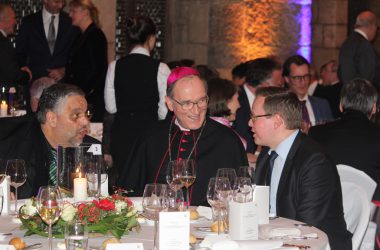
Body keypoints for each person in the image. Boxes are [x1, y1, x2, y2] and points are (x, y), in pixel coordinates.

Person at [117, 67, 248, 205]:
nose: (196, 110)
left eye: (201, 101)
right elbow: (126, 192)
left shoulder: (227, 140)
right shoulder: (150, 137)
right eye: (186, 103)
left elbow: (241, 198)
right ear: (170, 104)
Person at [251, 87, 351, 249]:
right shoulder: (266, 155)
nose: (250, 123)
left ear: (277, 120)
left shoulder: (314, 162)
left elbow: (305, 226)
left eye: (254, 117)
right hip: (273, 239)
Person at [0, 84, 98, 199]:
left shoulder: (91, 148)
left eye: (86, 114)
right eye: (76, 115)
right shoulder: (17, 146)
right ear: (52, 119)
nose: (85, 122)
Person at [104, 15, 170, 183]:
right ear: (151, 38)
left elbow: (111, 107)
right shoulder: (161, 69)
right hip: (149, 134)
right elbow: (164, 110)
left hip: (122, 135)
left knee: (124, 183)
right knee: (148, 182)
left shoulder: (114, 66)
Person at [309, 78, 380, 193]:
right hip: (372, 207)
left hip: (327, 206)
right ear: (374, 108)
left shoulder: (315, 134)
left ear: (341, 105)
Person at [15, 0, 79, 82]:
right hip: (35, 82)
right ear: (45, 1)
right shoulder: (29, 22)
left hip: (63, 84)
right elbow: (20, 52)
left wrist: (65, 70)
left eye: (62, 2)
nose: (60, 6)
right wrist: (24, 71)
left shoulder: (71, 22)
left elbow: (77, 55)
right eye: (56, 2)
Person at [65, 0, 108, 122]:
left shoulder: (96, 36)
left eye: (73, 11)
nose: (70, 15)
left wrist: (81, 94)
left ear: (85, 12)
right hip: (80, 96)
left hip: (89, 99)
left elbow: (97, 71)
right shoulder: (81, 35)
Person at [234, 57, 283, 162]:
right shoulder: (235, 100)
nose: (281, 87)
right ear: (264, 85)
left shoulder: (274, 103)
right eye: (278, 84)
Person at [283, 55, 333, 128]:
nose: (303, 82)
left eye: (306, 76)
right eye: (297, 77)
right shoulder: (281, 107)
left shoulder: (322, 105)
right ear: (287, 79)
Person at [338, 10, 380, 89]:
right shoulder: (364, 46)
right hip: (364, 97)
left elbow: (340, 73)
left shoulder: (346, 43)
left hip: (348, 95)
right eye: (377, 28)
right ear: (373, 26)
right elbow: (368, 78)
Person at [207, 77, 245, 148]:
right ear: (226, 101)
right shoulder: (219, 133)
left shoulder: (211, 128)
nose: (239, 105)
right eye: (236, 99)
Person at [0, 4, 31, 86]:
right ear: (4, 20)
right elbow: (12, 74)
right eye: (13, 18)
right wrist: (27, 75)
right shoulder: (3, 43)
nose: (15, 22)